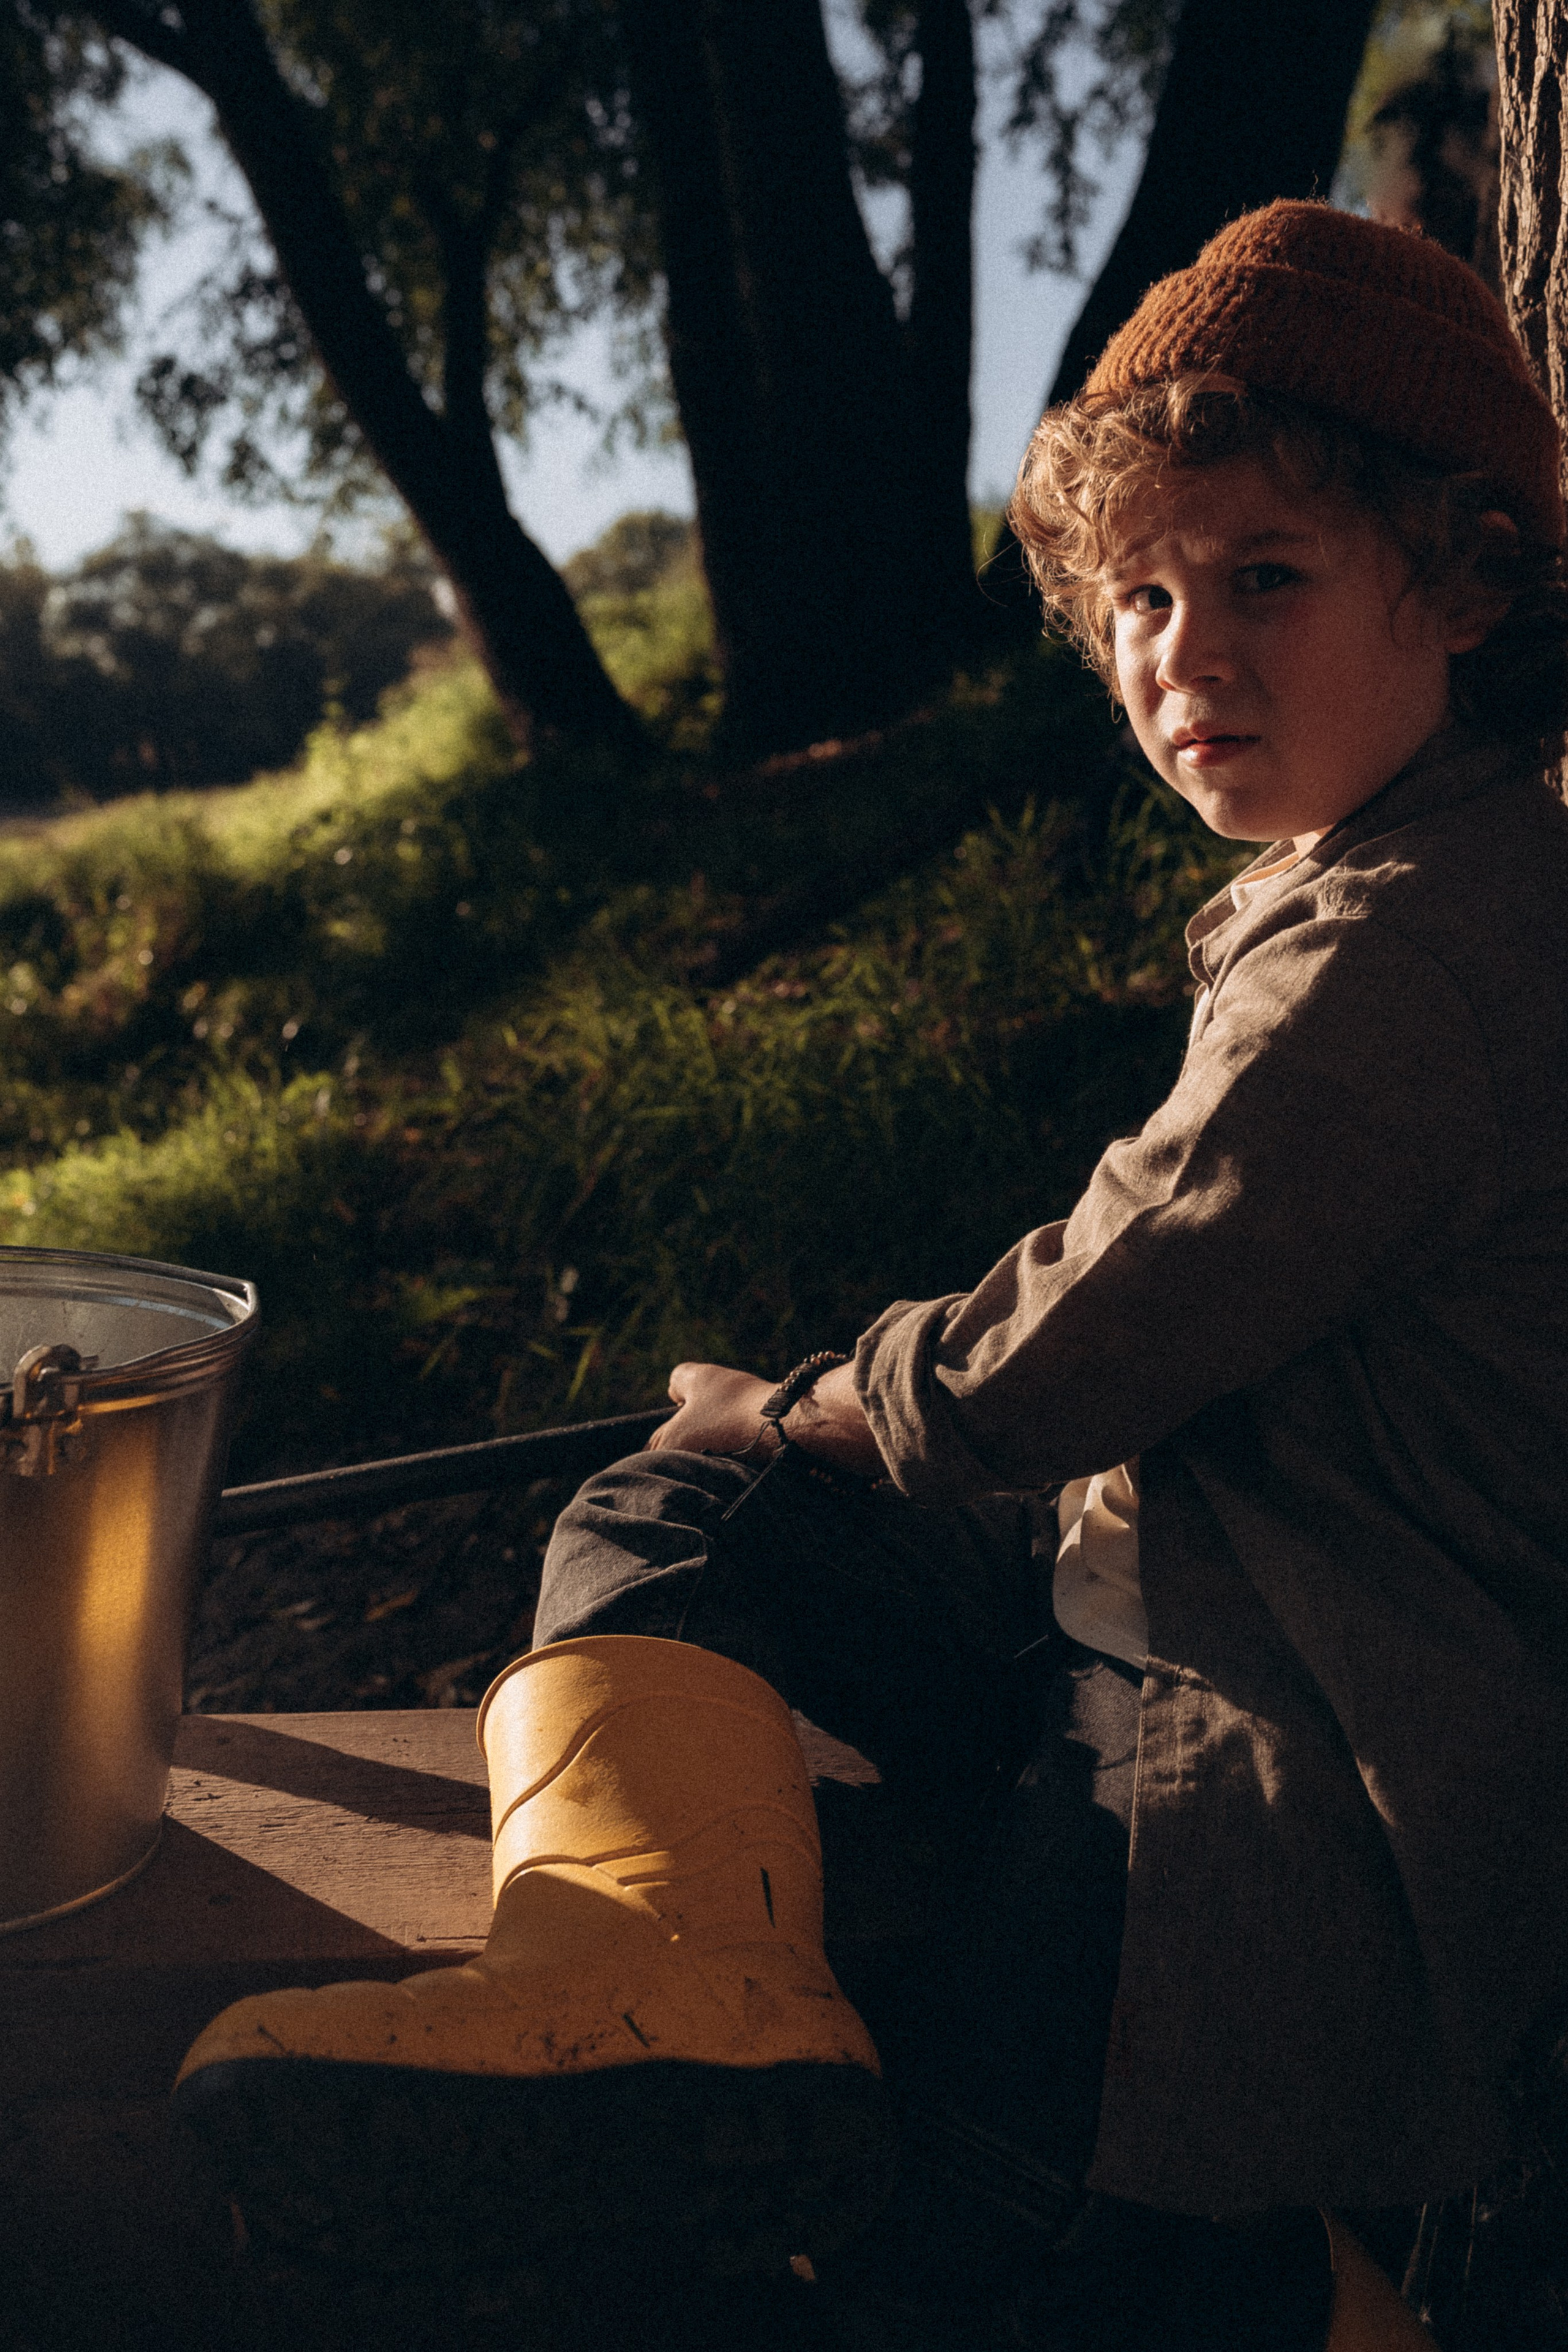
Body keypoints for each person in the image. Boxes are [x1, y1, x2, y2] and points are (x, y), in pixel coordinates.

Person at [172, 203, 1568, 2349]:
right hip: (1165, 1579)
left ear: (1462, 580)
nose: (1183, 655)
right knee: (681, 1506)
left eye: (1263, 580)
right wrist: (814, 1417)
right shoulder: (1379, 883)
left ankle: (1313, 2297)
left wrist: (838, 1403)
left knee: (985, 2228)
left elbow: (1125, 1301)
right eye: (1138, 602)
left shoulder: (1417, 947)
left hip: (1284, 1696)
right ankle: (658, 1980)